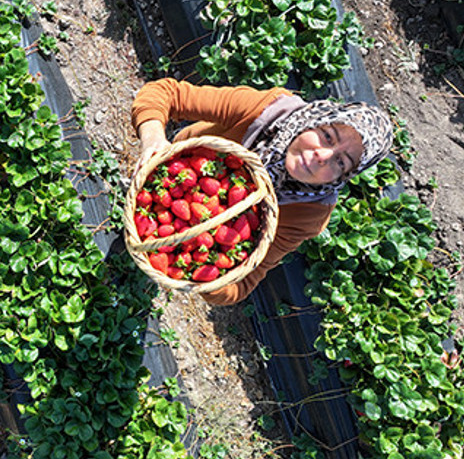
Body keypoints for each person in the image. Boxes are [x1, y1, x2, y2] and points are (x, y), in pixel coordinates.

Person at [131, 79, 393, 305]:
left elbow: (247, 281)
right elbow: (165, 92)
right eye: (327, 136)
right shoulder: (267, 109)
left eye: (340, 162)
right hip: (175, 170)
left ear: (342, 177)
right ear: (315, 121)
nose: (322, 157)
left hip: (187, 238)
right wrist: (153, 140)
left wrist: (209, 279)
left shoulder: (310, 213)